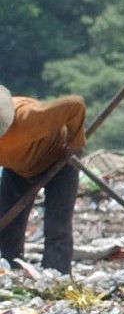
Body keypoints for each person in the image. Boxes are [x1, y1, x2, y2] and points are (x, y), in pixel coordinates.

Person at [0, 85, 85, 274]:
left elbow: (75, 105)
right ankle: (9, 273)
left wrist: (75, 146)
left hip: (58, 162)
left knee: (57, 228)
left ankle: (56, 278)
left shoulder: (28, 118)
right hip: (17, 169)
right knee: (7, 229)